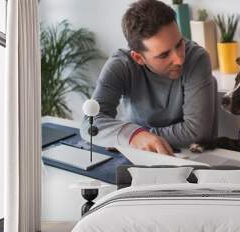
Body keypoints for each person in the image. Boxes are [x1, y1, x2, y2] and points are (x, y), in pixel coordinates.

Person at [80, 0, 218, 155]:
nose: (179, 59)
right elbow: (89, 124)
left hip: (193, 154)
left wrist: (133, 136)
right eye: (164, 55)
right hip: (137, 154)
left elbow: (196, 132)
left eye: (179, 44)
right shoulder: (121, 65)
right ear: (138, 58)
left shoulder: (197, 58)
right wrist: (134, 137)